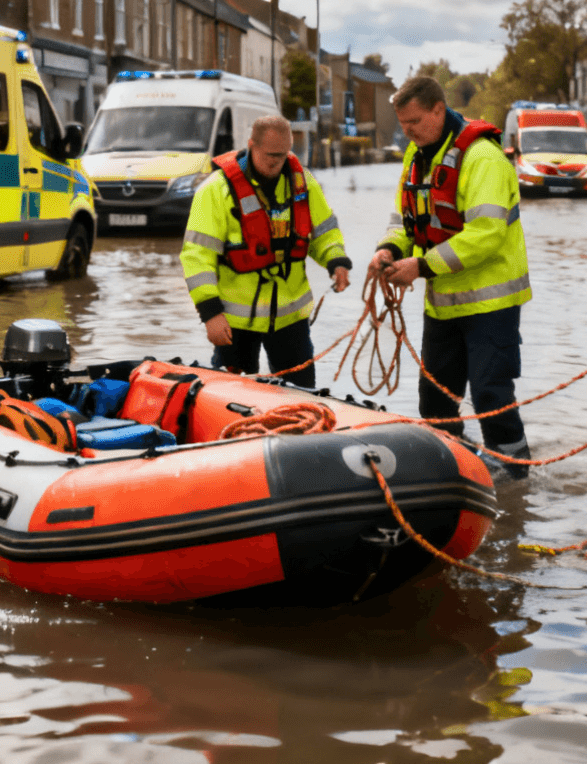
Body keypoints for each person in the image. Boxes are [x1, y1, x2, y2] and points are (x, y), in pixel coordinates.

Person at [369, 76, 532, 477]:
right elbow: (403, 221)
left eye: (415, 121)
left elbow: (486, 234)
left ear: (439, 110)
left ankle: (517, 475)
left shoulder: (483, 158)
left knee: (491, 394)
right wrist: (389, 251)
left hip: (490, 303)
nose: (407, 130)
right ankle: (457, 469)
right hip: (443, 306)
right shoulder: (416, 156)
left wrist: (421, 266)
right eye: (402, 123)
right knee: (435, 400)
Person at [181, 115, 350, 387]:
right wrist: (210, 314)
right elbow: (197, 256)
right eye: (270, 155)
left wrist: (336, 260)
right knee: (229, 397)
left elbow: (323, 231)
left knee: (302, 395)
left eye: (283, 155)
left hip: (290, 318)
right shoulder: (216, 190)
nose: (276, 162)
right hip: (233, 322)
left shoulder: (302, 184)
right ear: (251, 145)